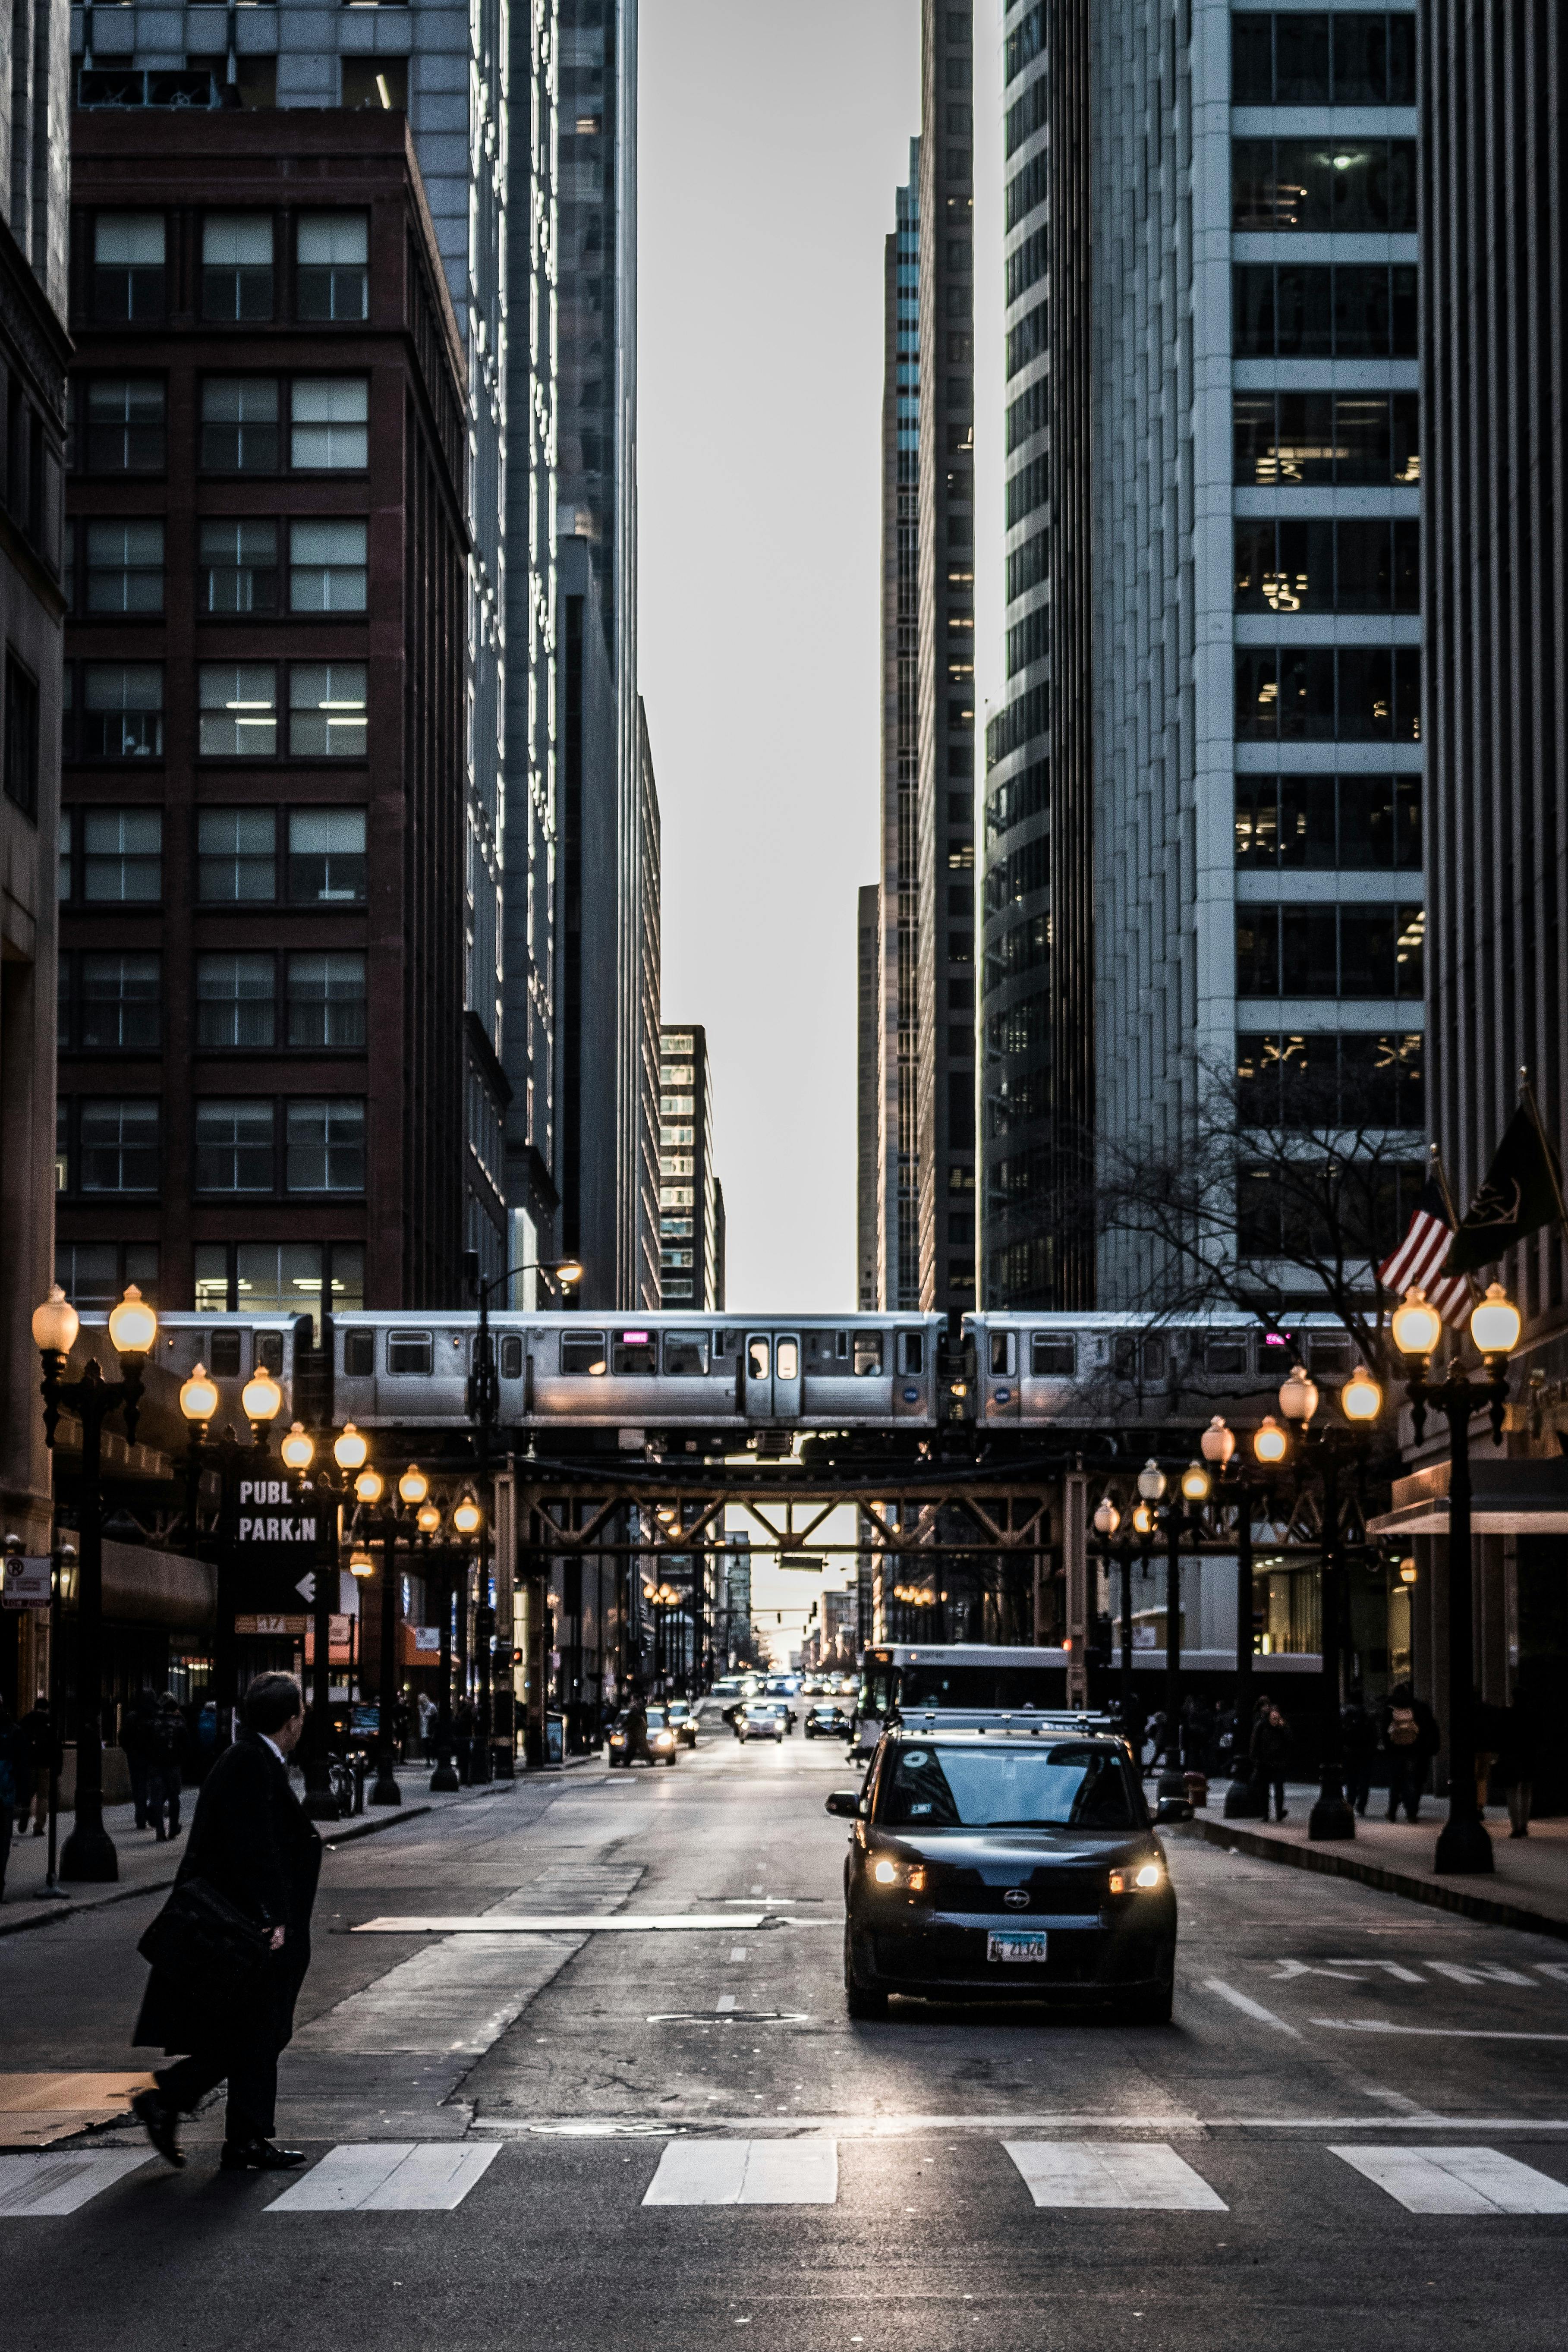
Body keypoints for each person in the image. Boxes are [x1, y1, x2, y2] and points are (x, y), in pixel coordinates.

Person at [130, 1672, 322, 2173]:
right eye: (301, 1712)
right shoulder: (249, 1762)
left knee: (257, 2032)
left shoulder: (257, 1760)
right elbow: (251, 1847)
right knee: (259, 2031)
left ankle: (229, 2129)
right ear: (290, 1719)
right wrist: (273, 1918)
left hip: (246, 1928)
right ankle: (202, 2114)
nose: (304, 1720)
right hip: (244, 1932)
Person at [1380, 1680, 1440, 1823]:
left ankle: (1393, 1811)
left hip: (1395, 1751)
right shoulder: (1418, 1707)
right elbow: (1428, 1729)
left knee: (1396, 1781)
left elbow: (1384, 1732)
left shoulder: (1389, 1709)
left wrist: (1389, 1747)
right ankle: (1412, 1812)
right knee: (1413, 1781)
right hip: (1414, 1751)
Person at [146, 1695, 187, 1842]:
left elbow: (147, 1743)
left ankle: (160, 1830)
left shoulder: (154, 1723)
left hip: (156, 1765)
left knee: (157, 1798)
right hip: (173, 1765)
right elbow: (186, 1744)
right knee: (174, 1797)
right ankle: (173, 1828)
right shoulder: (179, 1723)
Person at [0, 1703, 29, 1899]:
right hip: (5, 1797)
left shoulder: (14, 1733)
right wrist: (23, 1799)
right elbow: (22, 1768)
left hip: (6, 1795)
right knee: (2, 1843)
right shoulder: (14, 1732)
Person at [1496, 1700, 1536, 1839]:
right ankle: (1524, 1825)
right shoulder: (1531, 1716)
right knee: (1526, 1793)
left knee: (1512, 1793)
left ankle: (1516, 1826)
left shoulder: (1508, 1716)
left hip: (1510, 1758)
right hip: (1528, 1757)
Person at [122, 1688, 159, 1831]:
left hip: (136, 1758)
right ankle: (152, 1814)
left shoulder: (132, 1717)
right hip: (152, 1758)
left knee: (139, 1789)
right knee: (155, 1788)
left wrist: (131, 1752)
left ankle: (141, 1818)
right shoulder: (155, 1716)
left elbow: (124, 1737)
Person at [17, 1697, 54, 1836]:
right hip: (45, 1764)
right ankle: (39, 1827)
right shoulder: (49, 1722)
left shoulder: (26, 1720)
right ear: (46, 1708)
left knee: (28, 1791)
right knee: (43, 1796)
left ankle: (25, 1809)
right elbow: (55, 1747)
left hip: (29, 1763)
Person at [1250, 1702, 1292, 1821]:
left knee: (1279, 1788)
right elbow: (1255, 1744)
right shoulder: (1262, 1726)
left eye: (1277, 1718)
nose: (1275, 1720)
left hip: (1278, 1762)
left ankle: (1279, 1812)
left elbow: (1290, 1742)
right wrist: (1257, 1760)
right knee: (1264, 1789)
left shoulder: (1282, 1728)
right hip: (1265, 1763)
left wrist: (1283, 1727)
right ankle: (1265, 1814)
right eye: (1273, 1718)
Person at [1341, 1690, 1379, 1817]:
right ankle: (1361, 1806)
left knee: (1351, 1779)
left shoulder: (1346, 1714)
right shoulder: (1367, 1714)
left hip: (1350, 1751)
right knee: (1364, 1781)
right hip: (1366, 1752)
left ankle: (1350, 1803)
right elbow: (1374, 1735)